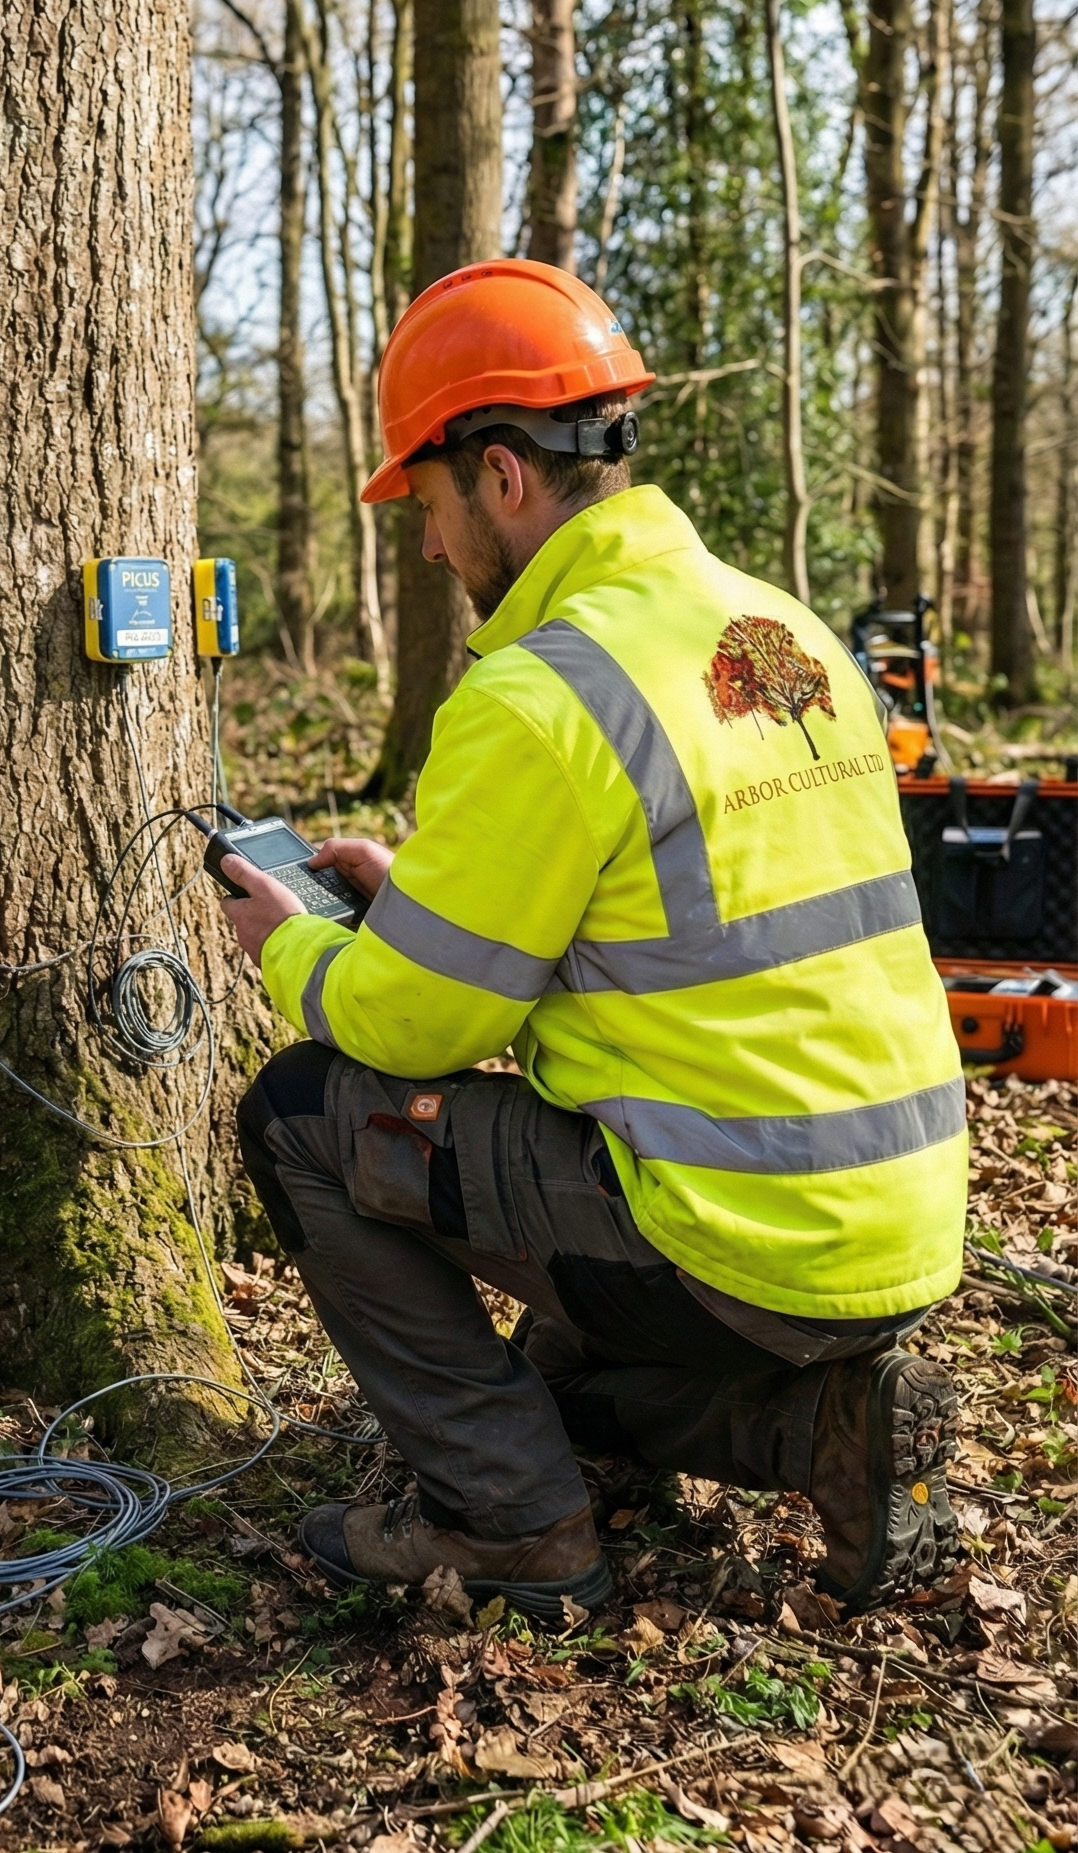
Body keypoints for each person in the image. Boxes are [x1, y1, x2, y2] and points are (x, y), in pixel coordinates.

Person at [217, 259, 964, 1624]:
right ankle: (828, 1433)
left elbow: (411, 1031)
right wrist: (424, 899)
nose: (432, 549)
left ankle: (510, 1530)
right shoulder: (777, 629)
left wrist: (291, 949)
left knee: (303, 1112)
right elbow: (672, 911)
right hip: (891, 1220)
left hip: (732, 1231)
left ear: (502, 476)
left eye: (431, 507)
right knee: (556, 1389)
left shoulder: (545, 689)